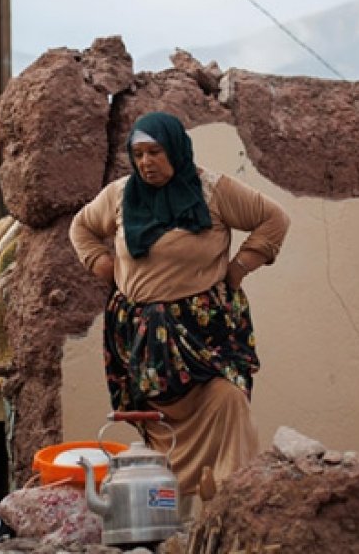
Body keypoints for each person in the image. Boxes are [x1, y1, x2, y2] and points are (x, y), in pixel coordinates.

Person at [68, 111, 290, 506]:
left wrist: (240, 266)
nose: (146, 163)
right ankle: (170, 516)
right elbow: (81, 228)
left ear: (175, 149)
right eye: (138, 154)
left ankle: (230, 504)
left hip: (206, 336)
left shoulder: (213, 190)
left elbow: (274, 218)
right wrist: (100, 264)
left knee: (229, 399)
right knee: (158, 423)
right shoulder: (121, 195)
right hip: (144, 344)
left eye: (155, 152)